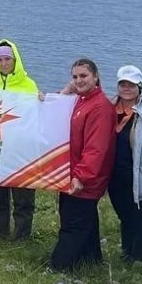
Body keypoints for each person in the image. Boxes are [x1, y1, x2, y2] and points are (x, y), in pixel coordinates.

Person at [49, 58, 115, 271]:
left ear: (96, 77)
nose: (79, 80)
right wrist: (66, 91)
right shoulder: (81, 100)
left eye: (84, 76)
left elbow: (96, 148)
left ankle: (58, 267)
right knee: (87, 219)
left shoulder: (100, 107)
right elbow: (57, 109)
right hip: (73, 173)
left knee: (72, 225)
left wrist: (81, 176)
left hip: (84, 179)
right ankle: (91, 260)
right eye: (75, 77)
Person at [0, 39, 39, 239]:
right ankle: (1, 234)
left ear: (15, 60)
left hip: (21, 151)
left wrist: (45, 102)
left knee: (23, 199)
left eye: (7, 59)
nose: (4, 63)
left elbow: (37, 116)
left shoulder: (29, 84)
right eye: (0, 60)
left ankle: (22, 238)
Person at [107, 65, 142, 263]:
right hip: (115, 175)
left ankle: (141, 261)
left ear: (140, 86)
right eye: (122, 84)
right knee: (125, 216)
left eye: (131, 84)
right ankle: (127, 253)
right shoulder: (110, 108)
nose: (126, 88)